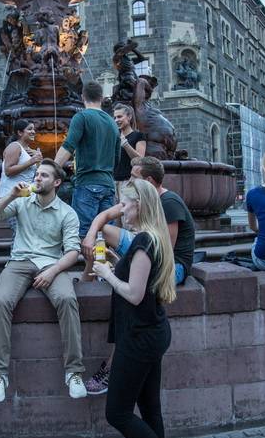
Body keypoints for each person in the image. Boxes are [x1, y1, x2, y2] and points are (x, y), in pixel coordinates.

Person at [91, 178, 194, 438]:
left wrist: (106, 272)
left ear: (140, 205)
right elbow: (144, 285)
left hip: (139, 338)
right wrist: (118, 264)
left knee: (117, 413)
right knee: (150, 410)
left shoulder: (144, 241)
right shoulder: (152, 239)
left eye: (125, 204)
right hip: (151, 332)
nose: (121, 210)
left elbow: (133, 294)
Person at [83, 154, 195, 395]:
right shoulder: (141, 206)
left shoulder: (170, 204)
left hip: (173, 265)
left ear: (148, 182)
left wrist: (119, 271)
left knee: (129, 299)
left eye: (133, 177)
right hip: (147, 250)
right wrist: (91, 235)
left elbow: (164, 254)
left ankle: (111, 367)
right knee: (107, 234)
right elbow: (103, 218)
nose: (128, 180)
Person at [0, 159, 86, 403]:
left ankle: (74, 372)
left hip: (52, 263)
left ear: (57, 182)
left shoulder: (67, 213)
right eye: (37, 174)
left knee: (68, 299)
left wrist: (52, 272)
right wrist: (11, 195)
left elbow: (73, 251)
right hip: (19, 262)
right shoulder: (21, 201)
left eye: (44, 176)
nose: (37, 178)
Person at [54, 80, 120, 237]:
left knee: (84, 235)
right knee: (106, 235)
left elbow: (68, 146)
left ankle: (89, 262)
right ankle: (104, 262)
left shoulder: (81, 117)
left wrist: (51, 169)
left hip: (87, 184)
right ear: (102, 97)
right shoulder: (112, 123)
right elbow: (116, 159)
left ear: (83, 97)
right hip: (108, 185)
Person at [0, 119, 43, 199]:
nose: (33, 132)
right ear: (20, 132)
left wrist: (39, 161)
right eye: (30, 129)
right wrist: (31, 161)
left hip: (24, 196)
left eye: (33, 129)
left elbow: (36, 175)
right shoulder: (14, 146)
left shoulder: (31, 151)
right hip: (9, 197)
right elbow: (8, 171)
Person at [113, 103, 146, 193]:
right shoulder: (115, 137)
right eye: (115, 118)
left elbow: (140, 160)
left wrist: (126, 145)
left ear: (129, 117)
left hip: (129, 182)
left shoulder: (138, 136)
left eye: (119, 117)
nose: (116, 120)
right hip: (113, 182)